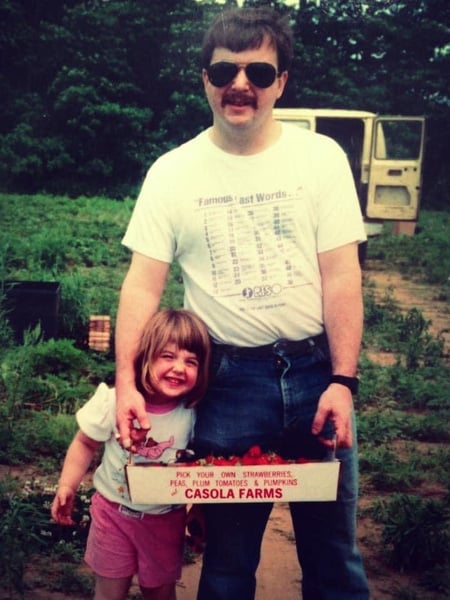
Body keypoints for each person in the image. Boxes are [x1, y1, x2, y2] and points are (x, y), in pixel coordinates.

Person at [115, 6, 369, 600]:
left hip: (315, 376)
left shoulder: (321, 158)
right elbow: (142, 284)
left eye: (259, 72)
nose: (240, 84)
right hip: (227, 383)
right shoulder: (172, 172)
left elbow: (341, 275)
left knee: (333, 557)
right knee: (227, 564)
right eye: (225, 70)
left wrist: (343, 381)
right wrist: (127, 382)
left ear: (281, 82)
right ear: (205, 78)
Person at [51, 309, 211, 600]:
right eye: (168, 356)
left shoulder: (193, 413)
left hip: (165, 519)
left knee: (160, 592)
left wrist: (199, 506)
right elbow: (85, 443)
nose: (179, 368)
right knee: (109, 591)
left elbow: (201, 467)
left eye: (191, 361)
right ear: (145, 356)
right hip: (113, 514)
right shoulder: (115, 400)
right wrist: (67, 486)